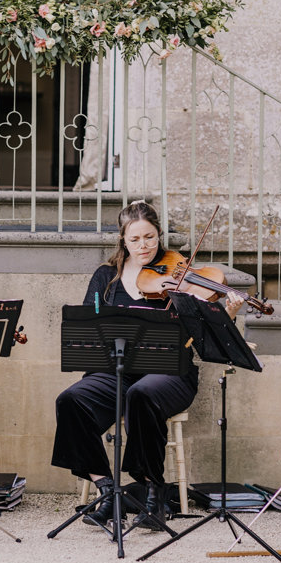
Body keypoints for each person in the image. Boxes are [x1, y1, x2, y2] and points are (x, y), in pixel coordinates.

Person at [51, 200, 243, 530]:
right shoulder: (105, 278)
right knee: (71, 401)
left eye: (151, 238)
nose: (144, 246)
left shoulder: (181, 276)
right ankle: (107, 491)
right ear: (123, 240)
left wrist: (227, 314)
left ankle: (154, 496)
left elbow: (202, 338)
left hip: (171, 372)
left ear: (159, 236)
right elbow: (87, 327)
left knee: (141, 395)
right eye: (136, 239)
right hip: (118, 371)